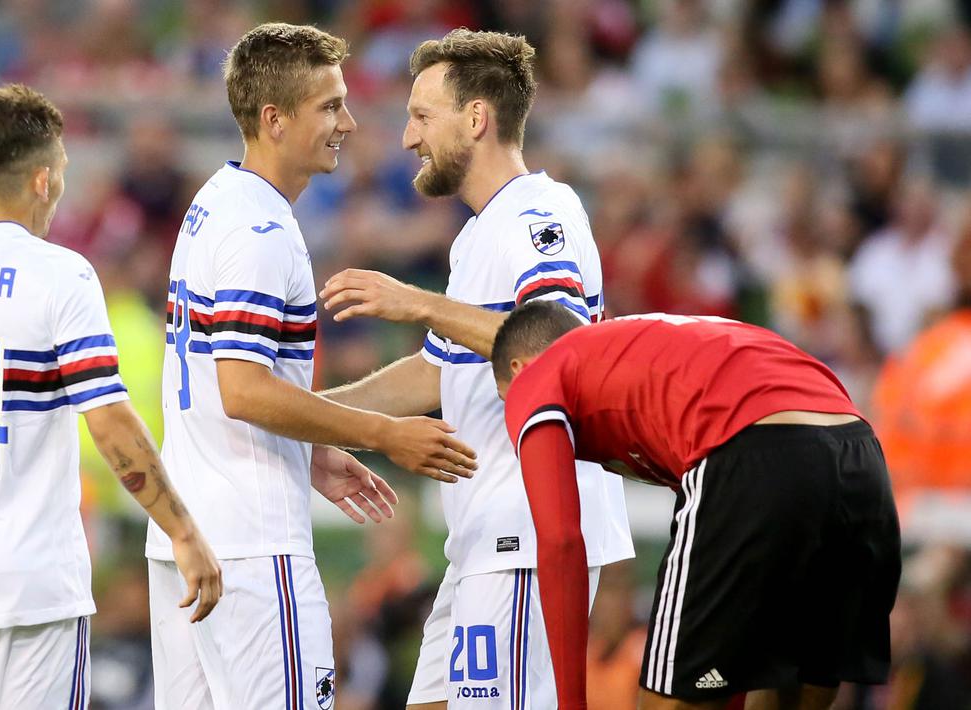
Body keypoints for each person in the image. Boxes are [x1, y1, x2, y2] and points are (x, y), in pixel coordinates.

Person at [147, 23, 478, 710]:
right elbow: (243, 390)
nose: (348, 123)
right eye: (329, 106)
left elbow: (218, 385)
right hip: (251, 548)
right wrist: (379, 434)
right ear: (274, 119)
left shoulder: (215, 203)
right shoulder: (259, 232)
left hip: (191, 537)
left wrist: (310, 452)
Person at [0, 84, 221, 710]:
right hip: (28, 585)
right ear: (42, 182)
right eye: (60, 173)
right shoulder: (61, 275)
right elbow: (111, 424)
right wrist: (183, 531)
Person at [319, 29, 633, 708]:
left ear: (475, 118)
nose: (407, 138)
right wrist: (314, 419)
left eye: (421, 116)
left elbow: (559, 351)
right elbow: (436, 376)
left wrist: (417, 304)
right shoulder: (479, 235)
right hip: (481, 536)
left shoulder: (537, 215)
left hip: (529, 526)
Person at [490, 302, 902, 709]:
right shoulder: (650, 348)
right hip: (859, 453)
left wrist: (570, 703)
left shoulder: (539, 374)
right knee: (795, 694)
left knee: (669, 701)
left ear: (517, 369)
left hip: (753, 448)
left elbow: (560, 539)